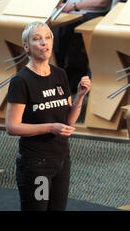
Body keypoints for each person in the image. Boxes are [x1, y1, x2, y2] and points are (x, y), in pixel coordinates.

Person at [5, 21, 91, 211]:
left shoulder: (60, 75)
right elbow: (12, 127)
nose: (44, 43)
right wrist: (50, 127)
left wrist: (80, 97)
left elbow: (68, 120)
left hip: (62, 160)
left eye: (48, 38)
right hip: (37, 164)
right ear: (27, 46)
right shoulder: (21, 81)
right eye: (37, 39)